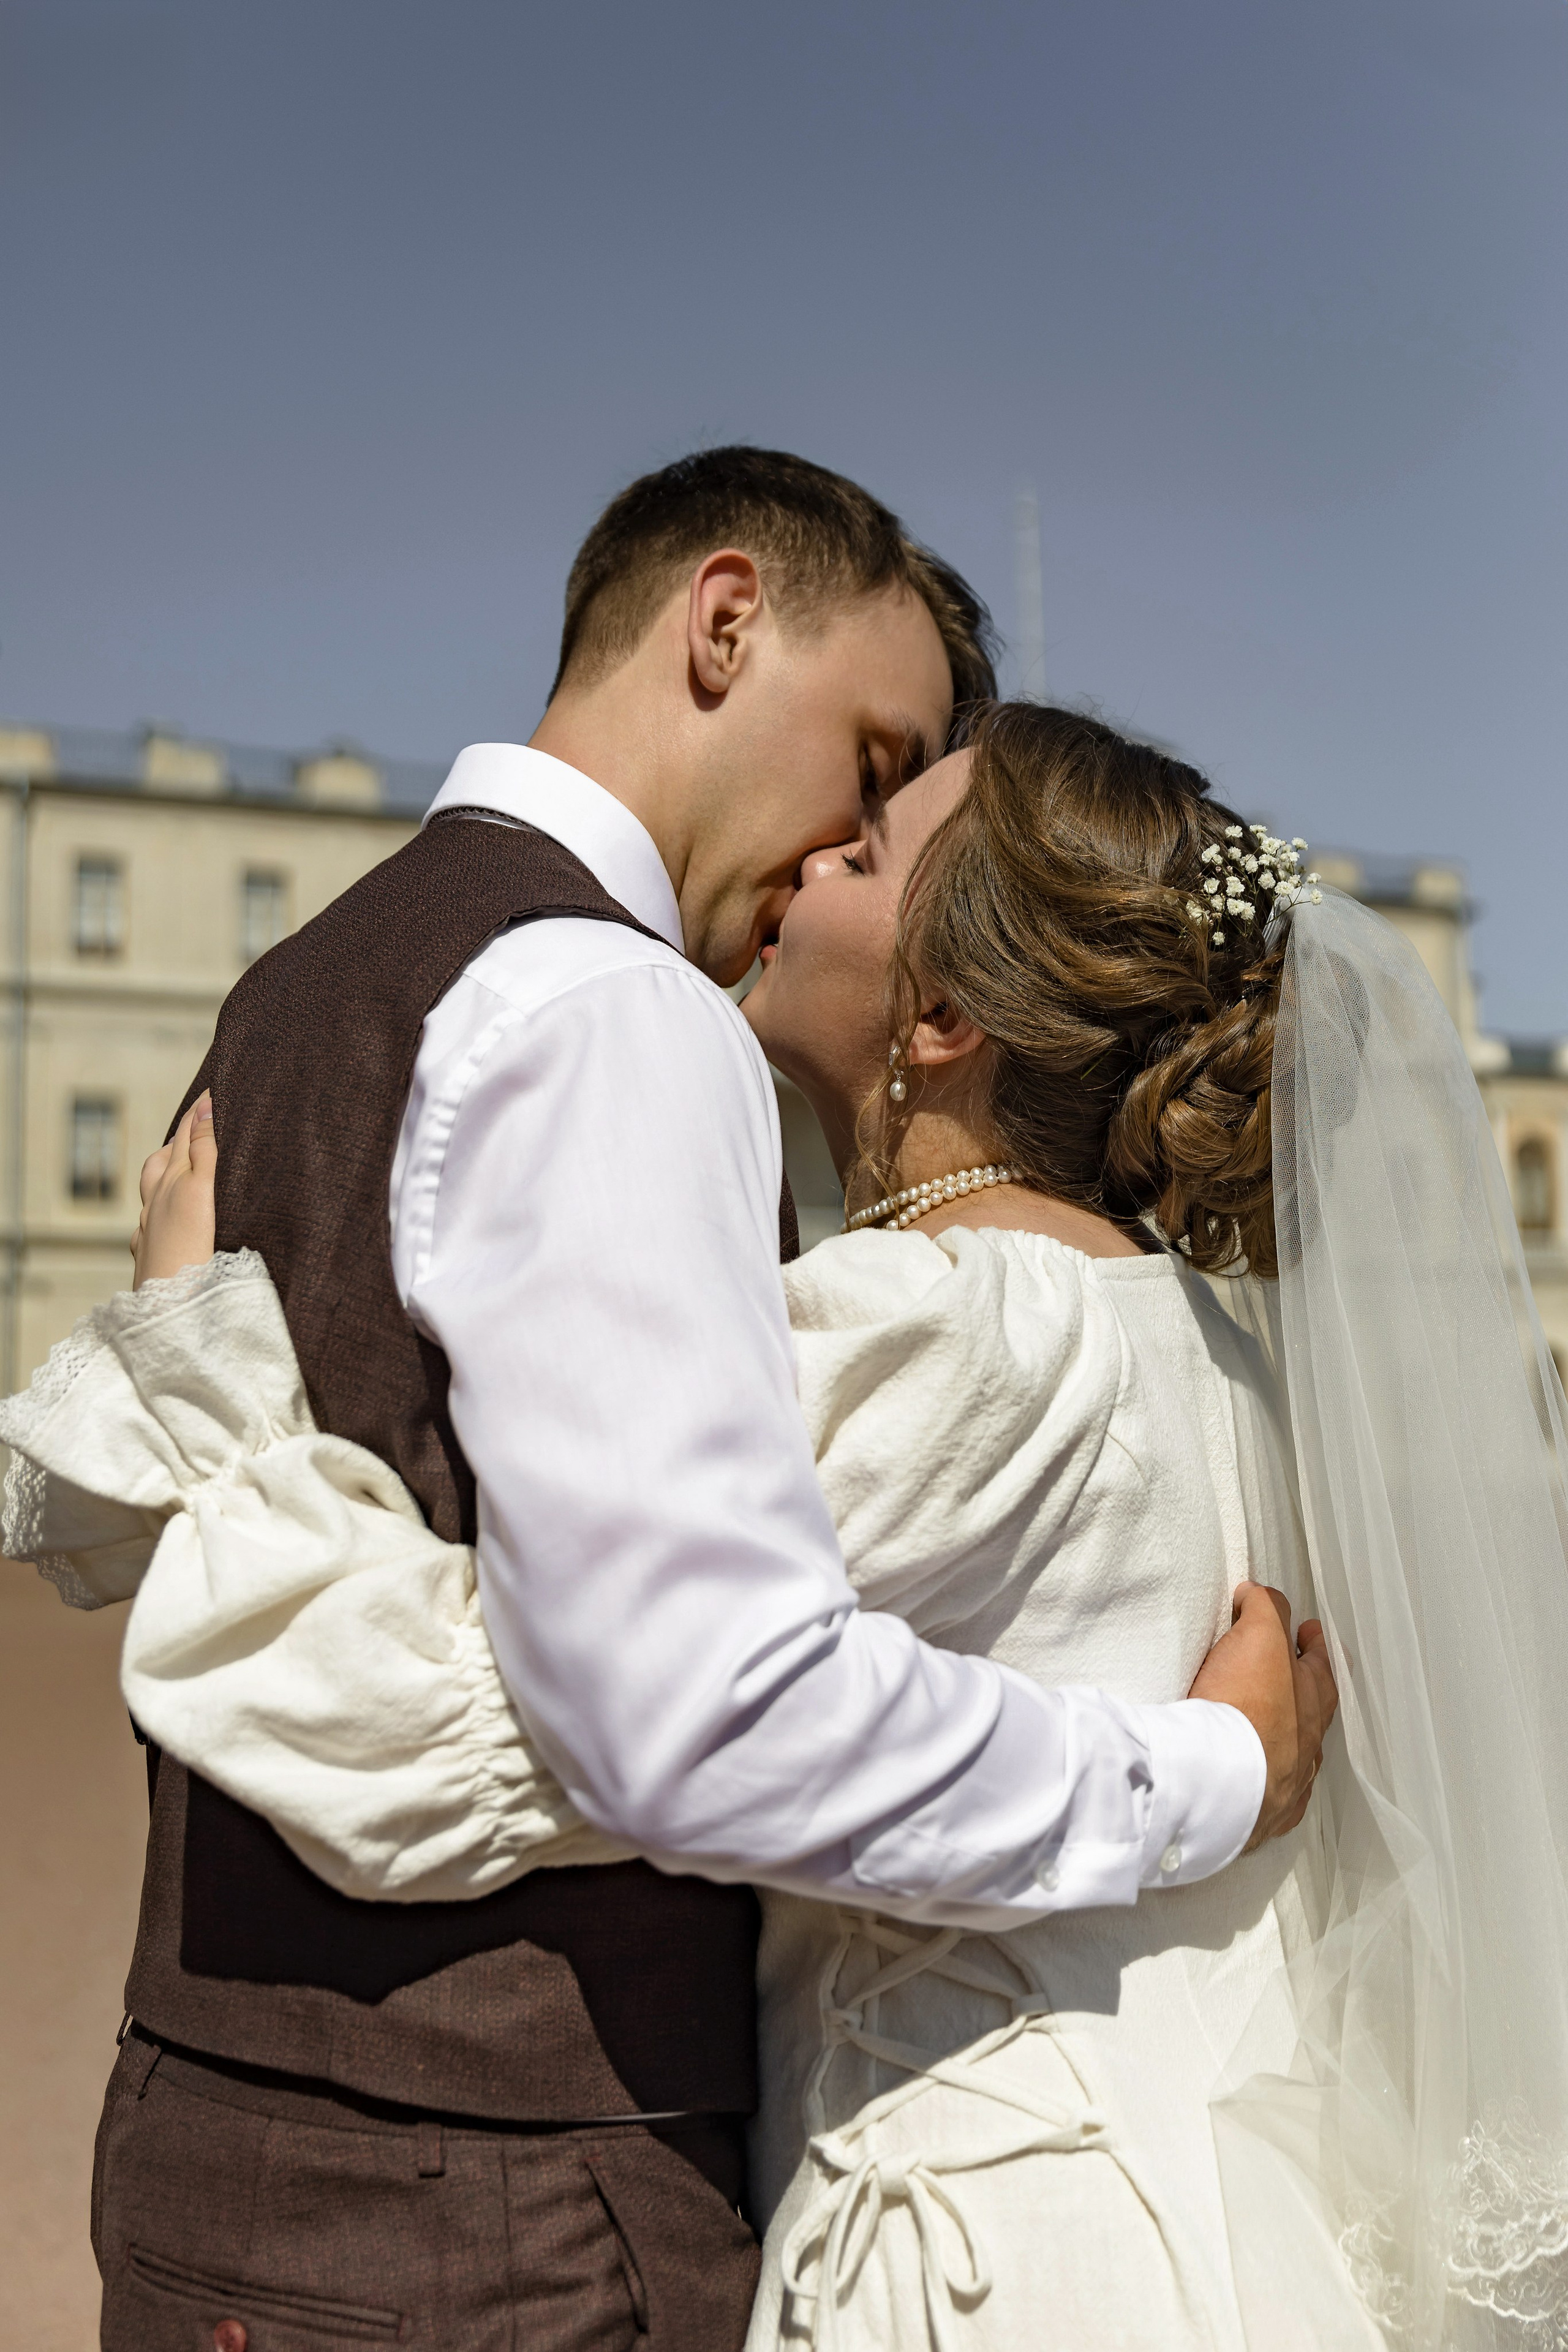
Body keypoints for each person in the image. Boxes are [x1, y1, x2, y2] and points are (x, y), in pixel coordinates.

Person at [3, 462, 1332, 2352]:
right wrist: (1202, 1777)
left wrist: (189, 1401)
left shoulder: (296, 988)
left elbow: (589, 1679)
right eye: (872, 766)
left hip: (243, 2150)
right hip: (501, 2208)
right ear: (723, 626)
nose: (834, 846)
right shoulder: (622, 1015)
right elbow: (687, 1698)